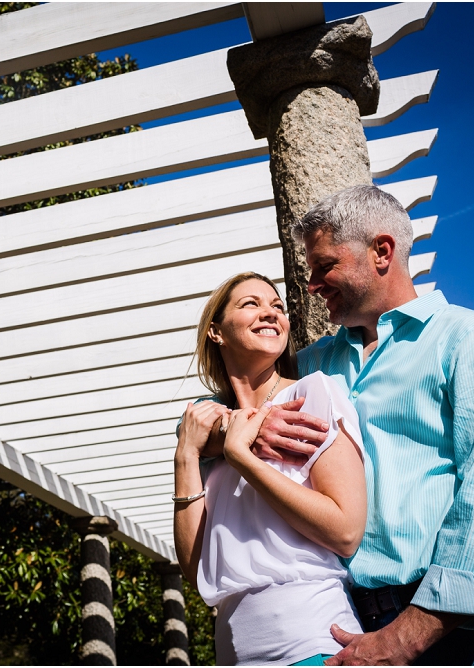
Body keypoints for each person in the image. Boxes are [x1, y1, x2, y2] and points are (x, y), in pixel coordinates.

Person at [283, 184, 474, 665]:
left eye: (325, 266)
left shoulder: (470, 339)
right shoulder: (312, 367)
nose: (312, 285)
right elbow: (233, 383)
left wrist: (408, 634)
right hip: (361, 628)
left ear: (382, 252)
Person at [174, 271, 369, 666]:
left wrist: (242, 458)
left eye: (277, 306)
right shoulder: (205, 428)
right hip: (234, 653)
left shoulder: (312, 394)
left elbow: (345, 531)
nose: (270, 313)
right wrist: (186, 456)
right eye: (251, 304)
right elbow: (197, 572)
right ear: (216, 332)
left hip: (313, 644)